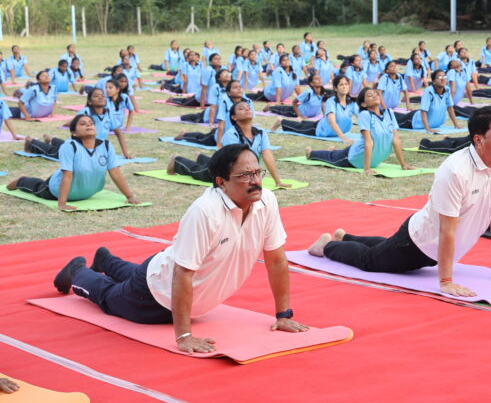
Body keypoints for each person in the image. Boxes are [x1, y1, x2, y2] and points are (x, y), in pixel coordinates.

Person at [48, 144, 307, 353]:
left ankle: (107, 261)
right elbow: (182, 273)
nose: (255, 181)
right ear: (221, 182)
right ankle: (78, 271)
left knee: (141, 274)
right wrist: (184, 336)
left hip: (163, 269)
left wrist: (283, 314)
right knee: (108, 297)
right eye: (244, 176)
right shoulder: (205, 211)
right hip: (155, 299)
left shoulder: (267, 201)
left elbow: (276, 260)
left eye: (257, 173)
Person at [306, 106, 491, 296]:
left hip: (434, 248)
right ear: (478, 139)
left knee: (386, 248)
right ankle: (326, 246)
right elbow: (447, 229)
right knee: (370, 261)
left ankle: (345, 237)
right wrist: (446, 281)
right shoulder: (456, 170)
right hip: (418, 243)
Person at [9, 115, 139, 211]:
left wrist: (129, 196)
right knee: (39, 188)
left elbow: (115, 172)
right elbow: (67, 175)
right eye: (83, 124)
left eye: (91, 123)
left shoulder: (106, 145)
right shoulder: (69, 146)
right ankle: (21, 180)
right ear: (74, 133)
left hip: (88, 192)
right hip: (56, 190)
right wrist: (62, 203)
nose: (89, 125)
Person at [305, 88, 414, 175]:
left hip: (374, 159)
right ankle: (311, 153)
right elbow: (368, 142)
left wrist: (403, 165)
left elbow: (395, 140)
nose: (375, 96)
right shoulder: (365, 115)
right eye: (370, 96)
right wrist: (366, 168)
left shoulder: (389, 113)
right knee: (330, 157)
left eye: (375, 94)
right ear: (364, 104)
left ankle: (332, 150)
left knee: (335, 153)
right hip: (355, 158)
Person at [272, 75, 358, 143]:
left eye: (346, 84)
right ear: (335, 88)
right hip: (321, 130)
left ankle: (301, 121)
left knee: (304, 123)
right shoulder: (331, 101)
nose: (344, 86)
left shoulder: (351, 102)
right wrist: (344, 138)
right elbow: (332, 122)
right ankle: (281, 121)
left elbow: (360, 115)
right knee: (299, 127)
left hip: (327, 127)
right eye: (341, 84)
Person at [392, 70, 460, 133]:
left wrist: (456, 125)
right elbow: (423, 111)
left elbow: (450, 109)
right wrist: (428, 129)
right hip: (413, 121)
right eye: (439, 77)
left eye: (444, 77)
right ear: (433, 81)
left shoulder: (447, 90)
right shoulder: (429, 91)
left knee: (397, 115)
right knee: (393, 120)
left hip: (433, 123)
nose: (442, 79)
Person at [75, 88, 131, 158]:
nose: (101, 97)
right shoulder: (85, 112)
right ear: (90, 101)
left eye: (103, 96)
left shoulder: (108, 113)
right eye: (96, 96)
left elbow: (119, 133)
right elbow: (76, 132)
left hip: (100, 149)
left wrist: (125, 154)